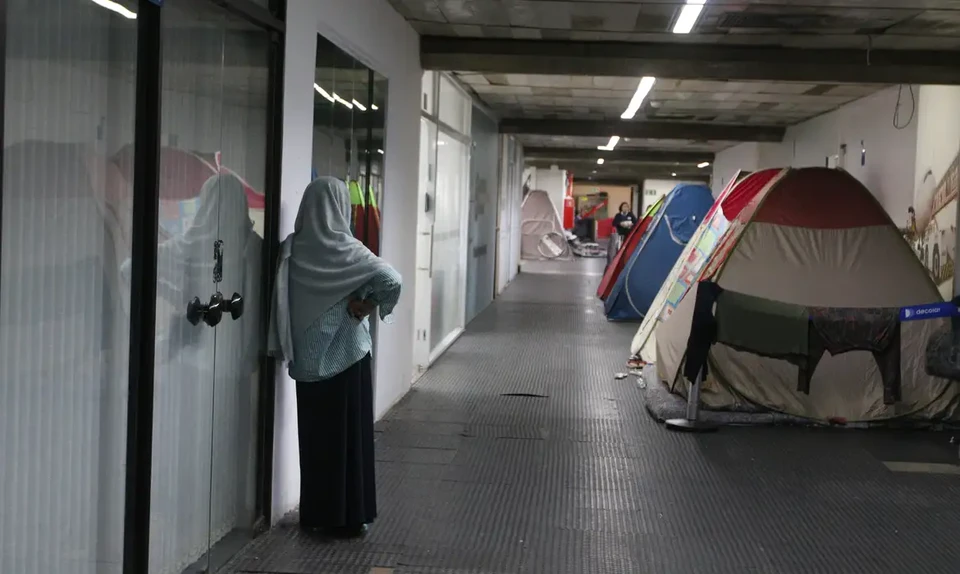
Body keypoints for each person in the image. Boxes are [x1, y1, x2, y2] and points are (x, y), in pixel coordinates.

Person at [269, 176, 402, 538]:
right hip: (348, 357)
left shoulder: (292, 249)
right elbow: (392, 279)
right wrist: (366, 305)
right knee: (350, 439)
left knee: (316, 440)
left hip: (309, 363)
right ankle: (350, 515)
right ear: (341, 207)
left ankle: (317, 512)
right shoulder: (349, 250)